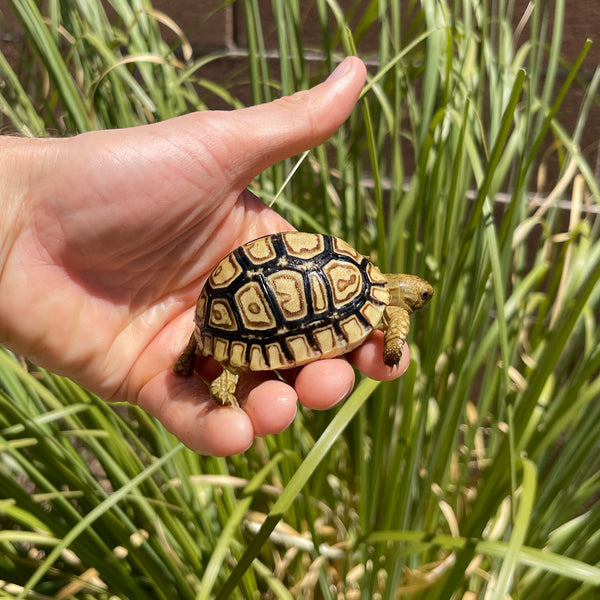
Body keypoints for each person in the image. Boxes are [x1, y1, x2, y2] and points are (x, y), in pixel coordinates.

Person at [0, 56, 408, 456]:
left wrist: (21, 209)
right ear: (401, 294)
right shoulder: (375, 292)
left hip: (220, 298)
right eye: (415, 298)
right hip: (245, 316)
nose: (412, 303)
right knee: (241, 365)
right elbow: (394, 330)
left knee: (248, 342)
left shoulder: (354, 268)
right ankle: (225, 378)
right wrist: (18, 209)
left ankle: (202, 354)